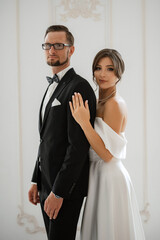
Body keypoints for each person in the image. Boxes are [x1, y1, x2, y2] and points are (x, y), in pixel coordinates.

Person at [28, 25, 96, 240]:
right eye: (47, 45)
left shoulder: (78, 86)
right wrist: (35, 180)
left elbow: (78, 145)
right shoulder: (51, 86)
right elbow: (46, 139)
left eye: (58, 45)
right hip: (46, 183)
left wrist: (59, 192)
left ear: (71, 50)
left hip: (65, 187)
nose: (52, 50)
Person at [69, 48, 145, 240]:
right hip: (97, 174)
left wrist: (84, 123)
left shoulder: (114, 104)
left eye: (109, 69)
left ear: (119, 73)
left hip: (109, 176)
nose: (102, 74)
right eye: (98, 68)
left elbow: (107, 154)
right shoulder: (98, 101)